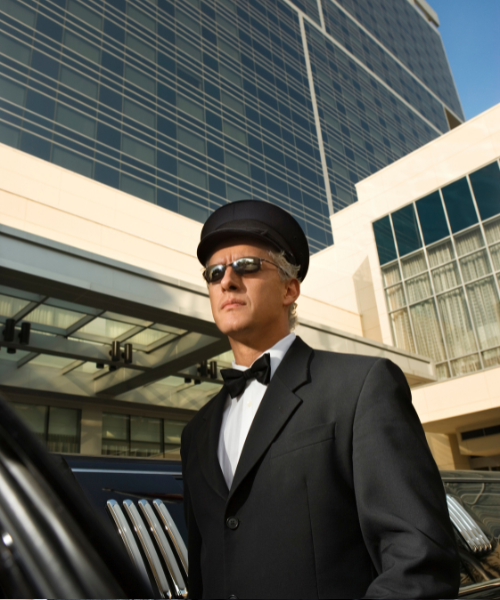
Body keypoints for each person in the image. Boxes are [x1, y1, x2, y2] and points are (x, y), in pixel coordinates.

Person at [181, 199, 460, 599]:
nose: (227, 281)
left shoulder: (362, 387)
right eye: (215, 272)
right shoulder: (196, 431)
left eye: (247, 265)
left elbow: (419, 562)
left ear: (289, 289)